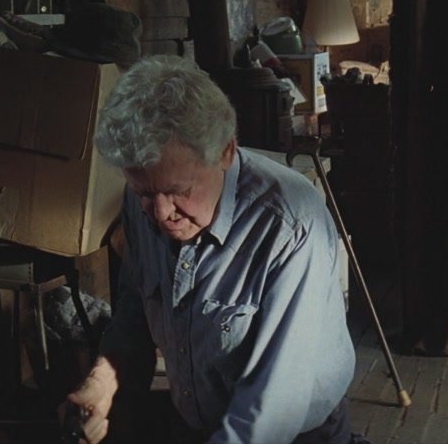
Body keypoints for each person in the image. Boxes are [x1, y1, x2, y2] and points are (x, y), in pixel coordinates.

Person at [66, 55, 358, 444]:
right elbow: (135, 309)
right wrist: (103, 381)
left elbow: (271, 411)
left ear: (225, 152)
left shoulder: (289, 225)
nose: (161, 214)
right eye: (145, 192)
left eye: (178, 191)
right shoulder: (143, 203)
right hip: (200, 422)